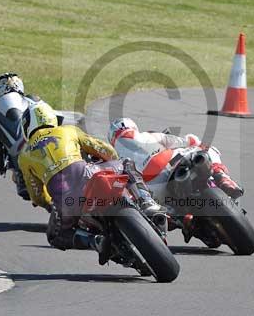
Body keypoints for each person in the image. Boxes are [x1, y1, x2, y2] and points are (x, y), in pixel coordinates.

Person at [18, 102, 166, 261]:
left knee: (55, 236)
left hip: (66, 199)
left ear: (27, 125)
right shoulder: (68, 130)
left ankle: (93, 241)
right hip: (90, 175)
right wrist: (111, 162)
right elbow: (103, 148)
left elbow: (36, 194)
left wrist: (50, 205)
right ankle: (146, 201)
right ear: (51, 117)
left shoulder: (24, 155)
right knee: (126, 164)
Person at [108, 117, 244, 198]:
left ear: (112, 139)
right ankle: (223, 178)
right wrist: (194, 141)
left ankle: (183, 221)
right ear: (133, 127)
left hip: (150, 187)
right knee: (208, 149)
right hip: (170, 162)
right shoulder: (149, 135)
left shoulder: (113, 156)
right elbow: (187, 141)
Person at [0, 73, 41, 200]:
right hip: (49, 144)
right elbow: (54, 119)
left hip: (25, 160)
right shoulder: (34, 100)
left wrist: (1, 167)